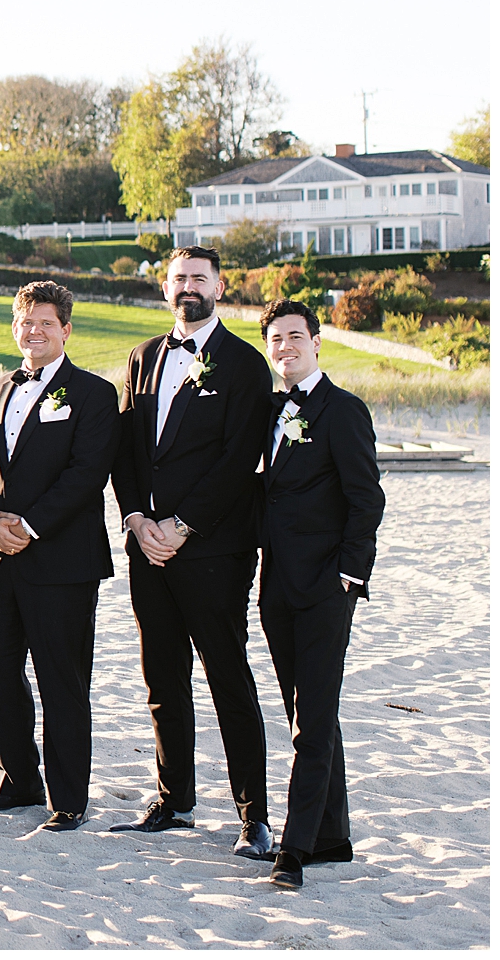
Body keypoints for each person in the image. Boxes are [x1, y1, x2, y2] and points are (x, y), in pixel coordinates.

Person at [109, 246, 274, 858]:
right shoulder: (144, 356)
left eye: (199, 279)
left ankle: (253, 816)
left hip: (214, 550)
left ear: (220, 287)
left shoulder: (245, 364)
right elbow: (125, 448)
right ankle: (174, 797)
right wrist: (134, 518)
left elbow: (240, 461)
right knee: (162, 677)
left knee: (227, 677)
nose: (188, 288)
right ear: (165, 287)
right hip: (146, 547)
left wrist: (182, 524)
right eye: (178, 278)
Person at [0, 280, 119, 833]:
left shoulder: (95, 395)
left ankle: (68, 797)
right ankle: (18, 780)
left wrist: (27, 525)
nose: (33, 332)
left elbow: (86, 474)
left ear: (66, 330)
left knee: (62, 681)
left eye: (45, 324)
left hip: (62, 563)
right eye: (25, 323)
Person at [256, 299, 383, 890]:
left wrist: (350, 576)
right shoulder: (270, 411)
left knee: (314, 715)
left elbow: (367, 499)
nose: (285, 348)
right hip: (277, 582)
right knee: (306, 712)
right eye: (275, 340)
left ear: (317, 342)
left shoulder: (343, 410)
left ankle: (297, 847)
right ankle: (333, 835)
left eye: (294, 338)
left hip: (327, 588)